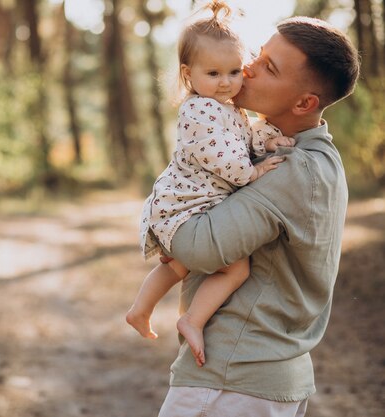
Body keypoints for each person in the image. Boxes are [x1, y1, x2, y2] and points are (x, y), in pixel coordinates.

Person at [155, 11, 360, 417]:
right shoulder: (313, 156)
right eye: (258, 54)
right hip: (261, 377)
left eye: (268, 67)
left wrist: (168, 234)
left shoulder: (291, 168)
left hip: (233, 378)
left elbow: (199, 248)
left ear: (304, 102)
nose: (247, 69)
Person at [126, 0, 293, 367]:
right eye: (214, 73)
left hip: (191, 208)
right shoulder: (198, 110)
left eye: (234, 72)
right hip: (185, 209)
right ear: (188, 74)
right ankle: (192, 319)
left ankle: (141, 309)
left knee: (177, 267)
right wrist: (253, 173)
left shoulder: (227, 108)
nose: (225, 82)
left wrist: (267, 140)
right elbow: (221, 157)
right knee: (236, 269)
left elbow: (244, 139)